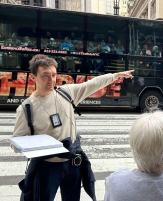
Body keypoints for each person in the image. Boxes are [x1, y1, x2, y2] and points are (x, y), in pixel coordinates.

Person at [11, 54, 134, 201]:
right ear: (33, 77)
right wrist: (36, 145)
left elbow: (92, 84)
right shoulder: (26, 108)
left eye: (53, 75)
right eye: (45, 75)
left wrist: (116, 75)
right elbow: (16, 142)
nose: (51, 80)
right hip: (47, 167)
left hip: (73, 163)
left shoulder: (66, 93)